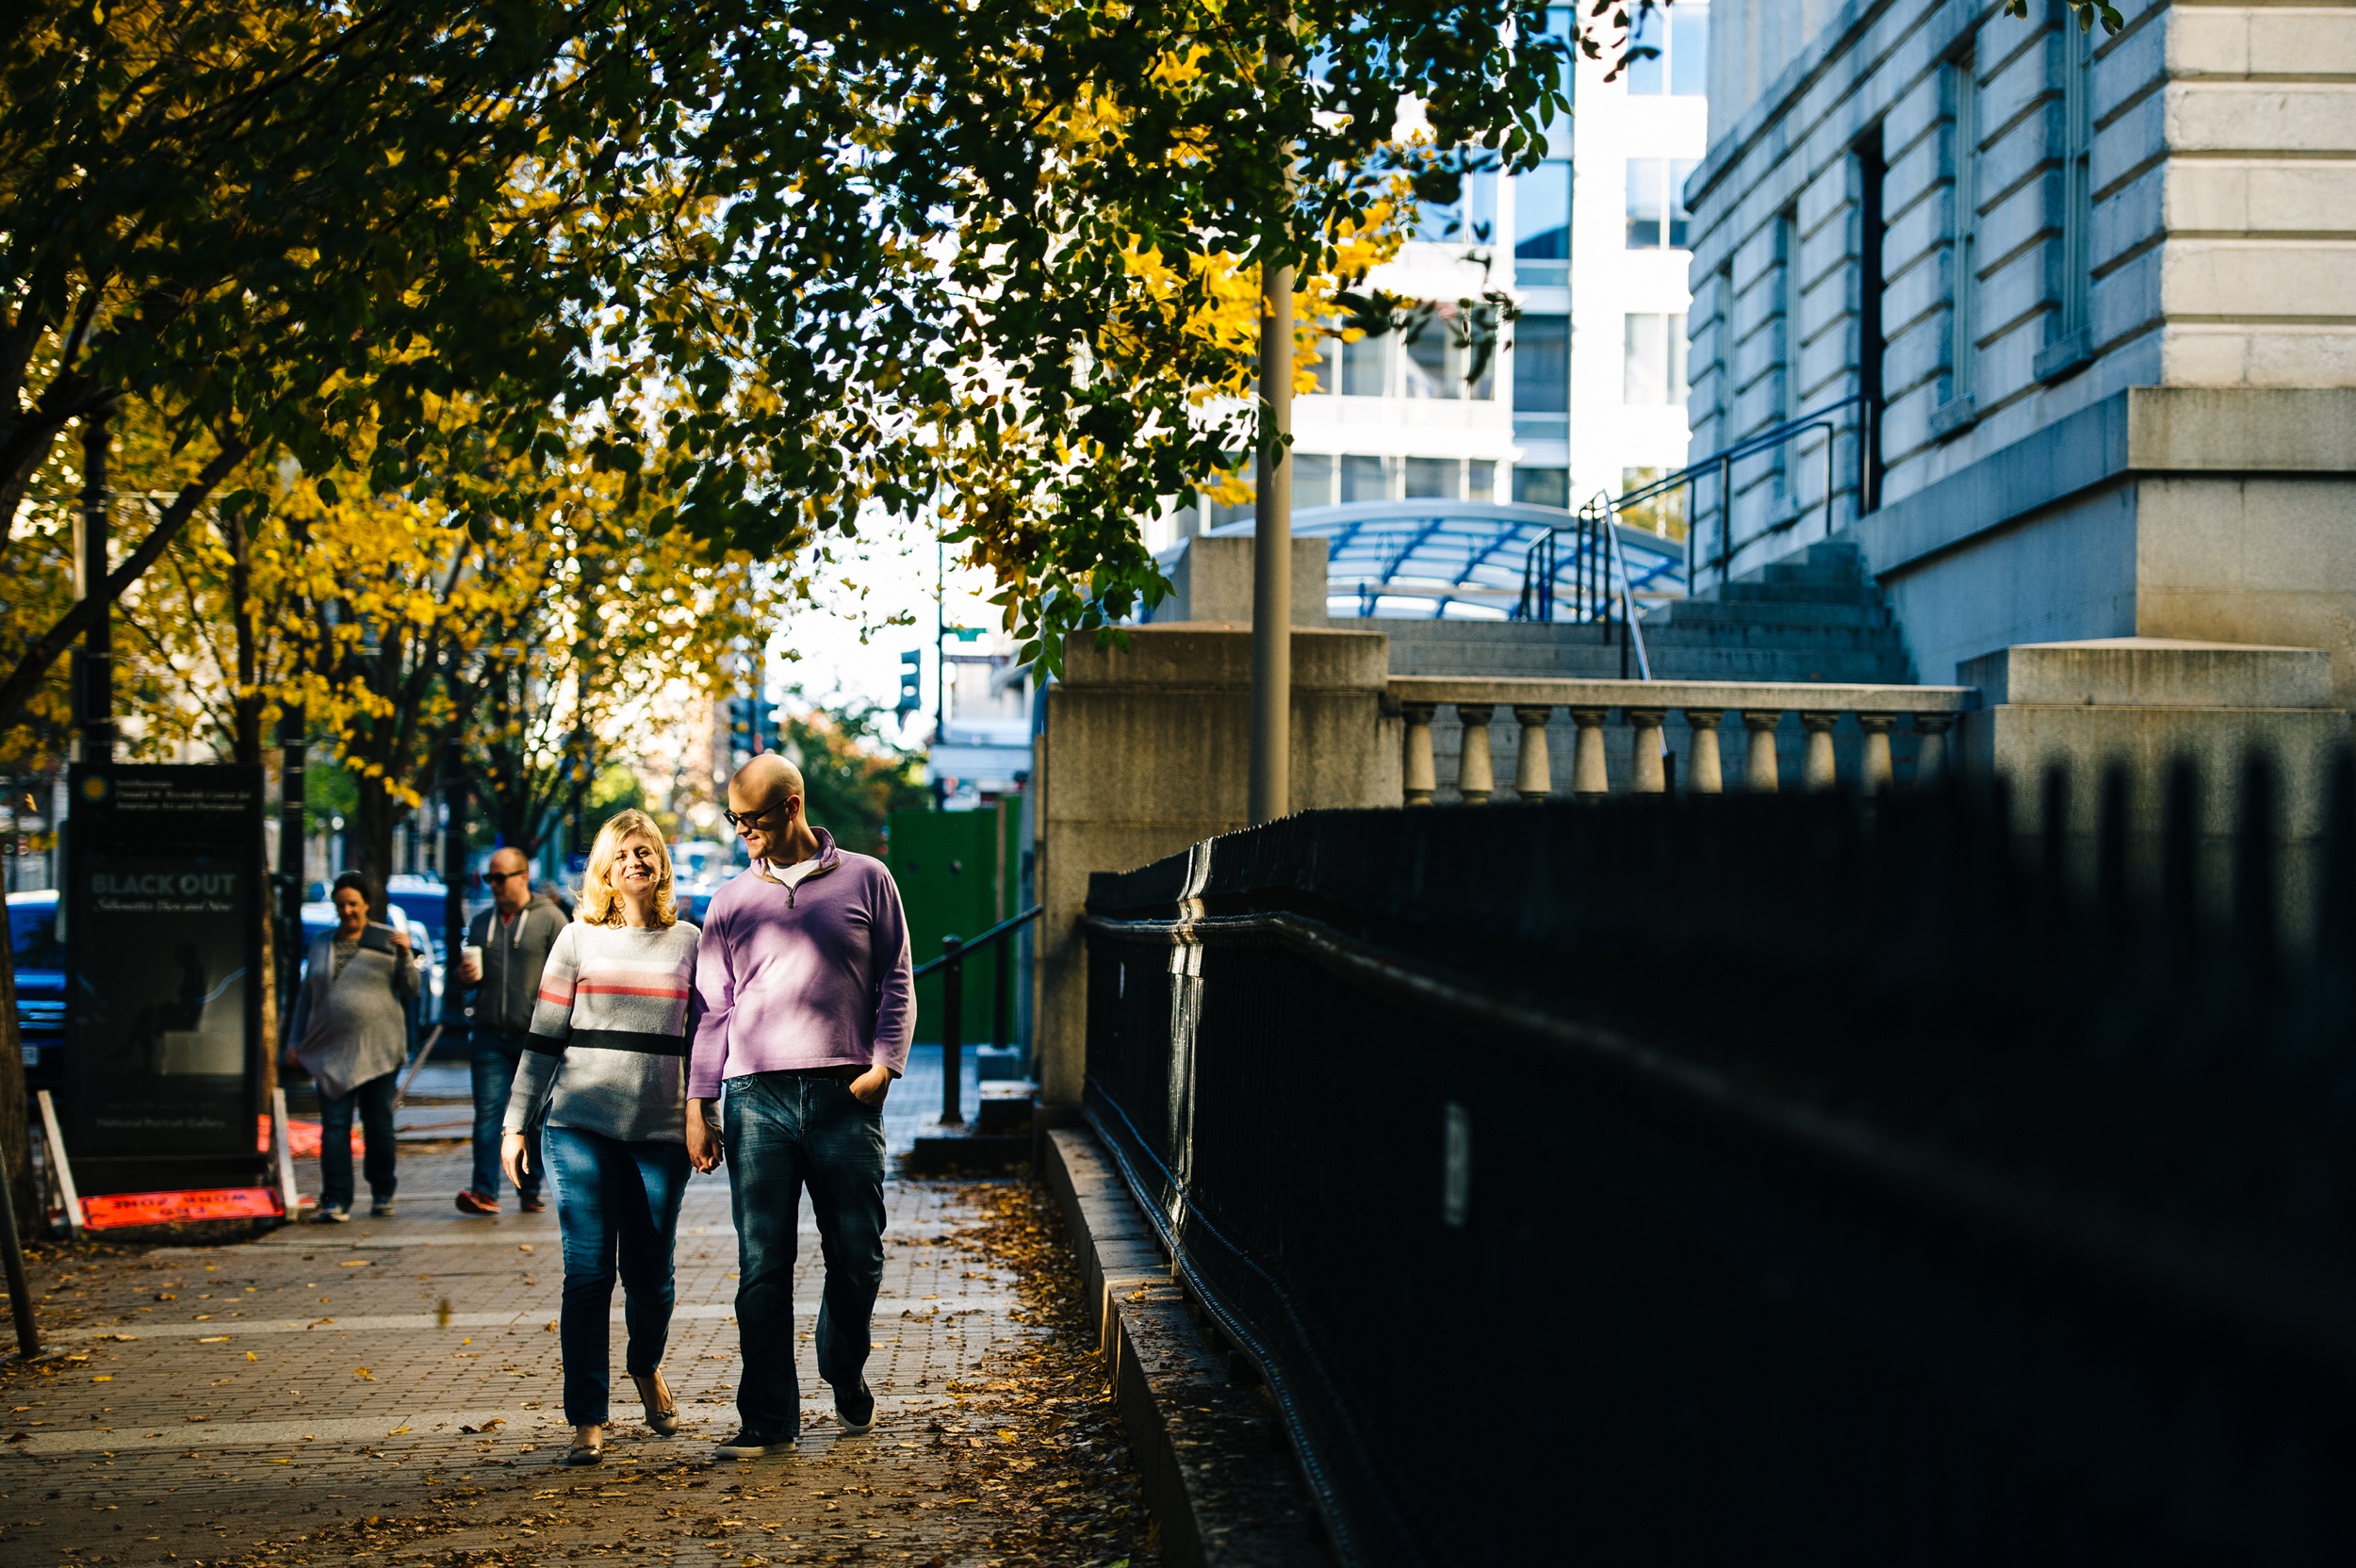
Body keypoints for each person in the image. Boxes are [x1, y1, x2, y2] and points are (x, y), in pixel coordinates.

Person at [689, 754, 915, 1459]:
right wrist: (700, 1102)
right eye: (735, 820)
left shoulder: (867, 878)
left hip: (845, 1091)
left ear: (792, 808)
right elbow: (711, 1011)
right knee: (763, 1263)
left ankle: (842, 1368)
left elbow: (897, 979)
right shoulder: (728, 902)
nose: (742, 832)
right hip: (756, 1098)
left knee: (858, 1256)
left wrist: (884, 1066)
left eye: (751, 820)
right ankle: (767, 1419)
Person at [502, 808, 700, 1465]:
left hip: (661, 1134)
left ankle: (645, 1365)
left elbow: (706, 1044)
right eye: (621, 855)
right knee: (587, 1274)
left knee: (651, 1277)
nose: (634, 863)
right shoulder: (577, 940)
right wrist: (515, 1122)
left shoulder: (690, 943)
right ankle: (587, 1418)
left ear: (660, 863)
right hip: (578, 1128)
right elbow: (542, 1040)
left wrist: (710, 1119)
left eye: (645, 852)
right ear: (605, 871)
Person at [287, 871, 418, 1222]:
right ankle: (337, 1200)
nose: (347, 911)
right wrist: (295, 1041)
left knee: (378, 1126)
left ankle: (382, 1193)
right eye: (341, 904)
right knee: (334, 1126)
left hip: (379, 1049)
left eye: (354, 904)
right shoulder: (321, 942)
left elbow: (411, 988)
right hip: (331, 1051)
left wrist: (406, 954)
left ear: (366, 905)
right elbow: (306, 996)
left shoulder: (385, 940)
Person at [454, 847, 567, 1216]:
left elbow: (569, 975)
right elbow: (467, 979)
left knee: (532, 1116)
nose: (494, 885)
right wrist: (463, 979)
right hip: (488, 1033)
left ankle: (529, 1188)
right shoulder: (481, 922)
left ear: (522, 877)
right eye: (489, 878)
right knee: (488, 1115)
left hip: (533, 1038)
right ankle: (484, 1191)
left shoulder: (550, 919)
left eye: (500, 877)